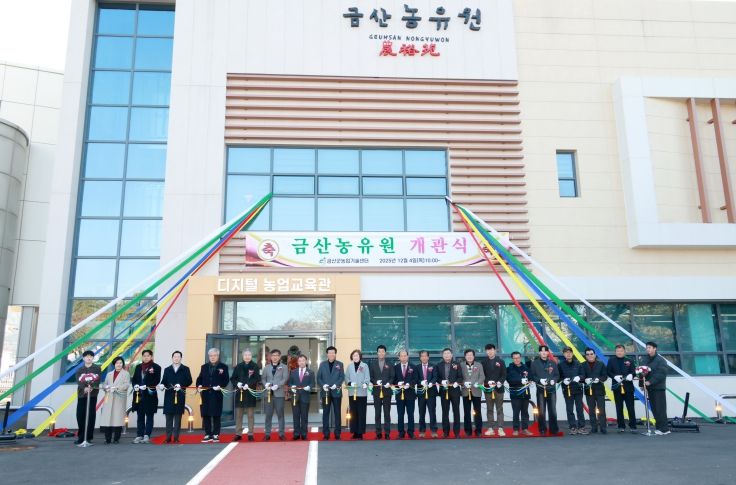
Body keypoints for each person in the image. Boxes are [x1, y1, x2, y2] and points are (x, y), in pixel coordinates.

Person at [196, 348, 230, 443]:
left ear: (218, 356)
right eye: (211, 356)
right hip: (205, 394)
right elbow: (199, 378)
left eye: (214, 355)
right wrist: (199, 385)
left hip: (217, 394)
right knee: (206, 414)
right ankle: (208, 434)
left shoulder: (223, 367)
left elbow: (226, 380)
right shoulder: (204, 367)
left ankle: (216, 434)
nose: (212, 357)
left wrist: (220, 386)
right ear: (209, 356)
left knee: (216, 414)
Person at [131, 349, 161, 444]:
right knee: (140, 416)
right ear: (142, 357)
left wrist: (147, 385)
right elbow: (134, 379)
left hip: (150, 395)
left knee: (149, 416)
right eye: (144, 356)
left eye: (148, 356)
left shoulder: (156, 367)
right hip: (139, 395)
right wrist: (135, 385)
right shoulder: (138, 367)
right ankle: (139, 435)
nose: (146, 357)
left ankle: (147, 435)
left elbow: (157, 380)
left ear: (151, 357)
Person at [161, 350, 192, 443]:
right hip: (169, 395)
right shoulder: (167, 369)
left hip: (180, 395)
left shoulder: (185, 369)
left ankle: (176, 437)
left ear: (181, 358)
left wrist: (181, 385)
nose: (176, 358)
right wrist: (162, 385)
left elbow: (189, 381)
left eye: (178, 357)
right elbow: (164, 381)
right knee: (168, 417)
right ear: (172, 358)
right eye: (175, 356)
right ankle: (168, 437)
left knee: (178, 418)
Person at [639, 341, 670, 435]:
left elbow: (661, 373)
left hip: (658, 388)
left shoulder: (660, 360)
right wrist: (642, 384)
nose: (648, 349)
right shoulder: (645, 360)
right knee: (654, 408)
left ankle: (664, 429)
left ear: (655, 348)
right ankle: (659, 428)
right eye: (647, 348)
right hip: (650, 388)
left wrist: (650, 381)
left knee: (660, 408)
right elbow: (641, 372)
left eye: (649, 347)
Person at [231, 348, 261, 441]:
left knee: (250, 415)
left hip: (250, 393)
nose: (247, 357)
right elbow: (233, 378)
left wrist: (249, 384)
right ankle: (238, 433)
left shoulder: (255, 366)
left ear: (251, 356)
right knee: (239, 415)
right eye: (245, 355)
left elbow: (257, 378)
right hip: (240, 393)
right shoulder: (238, 366)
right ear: (243, 356)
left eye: (249, 355)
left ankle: (250, 433)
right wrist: (237, 383)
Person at [606, 344, 637, 433]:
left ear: (624, 351)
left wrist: (631, 375)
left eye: (621, 351)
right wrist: (614, 376)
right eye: (617, 351)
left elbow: (634, 372)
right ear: (615, 352)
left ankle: (633, 426)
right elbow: (608, 371)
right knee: (619, 407)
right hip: (617, 387)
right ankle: (621, 426)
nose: (619, 352)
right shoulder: (611, 360)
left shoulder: (629, 360)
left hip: (628, 387)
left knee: (630, 407)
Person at [99, 356, 129, 444]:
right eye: (117, 363)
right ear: (114, 364)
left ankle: (116, 438)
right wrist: (106, 387)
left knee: (118, 419)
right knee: (107, 419)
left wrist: (116, 388)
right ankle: (107, 439)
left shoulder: (126, 374)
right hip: (109, 398)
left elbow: (126, 385)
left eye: (120, 363)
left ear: (123, 364)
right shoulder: (109, 374)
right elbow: (104, 385)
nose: (119, 364)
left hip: (119, 398)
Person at [530, 345, 559, 436]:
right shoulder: (534, 363)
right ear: (539, 352)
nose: (543, 352)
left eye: (545, 351)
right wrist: (539, 380)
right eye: (542, 351)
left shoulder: (553, 363)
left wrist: (554, 380)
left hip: (551, 389)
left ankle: (554, 429)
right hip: (540, 389)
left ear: (547, 352)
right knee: (541, 410)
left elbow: (557, 375)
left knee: (553, 410)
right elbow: (532, 375)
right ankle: (542, 429)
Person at [557, 347, 587, 435]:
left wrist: (579, 377)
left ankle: (581, 427)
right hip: (567, 390)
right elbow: (558, 377)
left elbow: (583, 375)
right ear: (564, 354)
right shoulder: (560, 365)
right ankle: (573, 427)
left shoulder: (578, 364)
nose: (568, 354)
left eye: (570, 352)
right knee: (570, 409)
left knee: (579, 409)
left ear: (572, 353)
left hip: (578, 389)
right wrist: (563, 380)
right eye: (566, 352)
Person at [74, 350, 101, 445]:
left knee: (90, 415)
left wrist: (91, 387)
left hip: (92, 395)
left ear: (93, 358)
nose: (89, 358)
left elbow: (97, 380)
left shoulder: (97, 368)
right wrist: (84, 388)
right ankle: (81, 437)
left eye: (90, 356)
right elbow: (78, 381)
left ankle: (89, 437)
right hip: (82, 395)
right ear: (83, 358)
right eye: (87, 356)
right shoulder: (79, 369)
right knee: (80, 415)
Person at [435, 347, 463, 438]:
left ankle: (457, 432)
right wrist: (441, 381)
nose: (447, 355)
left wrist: (457, 382)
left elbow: (460, 377)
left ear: (451, 355)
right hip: (444, 390)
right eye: (445, 354)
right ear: (442, 355)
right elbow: (437, 377)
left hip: (455, 390)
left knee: (456, 411)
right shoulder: (438, 365)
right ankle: (445, 432)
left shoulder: (457, 364)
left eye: (448, 353)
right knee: (445, 411)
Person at [317, 346, 344, 440]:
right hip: (326, 393)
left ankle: (337, 433)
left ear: (335, 354)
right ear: (327, 354)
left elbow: (342, 377)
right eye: (329, 353)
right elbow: (318, 378)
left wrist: (336, 384)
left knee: (337, 413)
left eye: (333, 353)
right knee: (326, 413)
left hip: (336, 392)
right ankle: (326, 433)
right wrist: (323, 385)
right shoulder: (322, 364)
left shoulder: (340, 364)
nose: (331, 354)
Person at [261, 348, 289, 441]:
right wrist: (266, 384)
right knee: (268, 415)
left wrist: (278, 385)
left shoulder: (284, 367)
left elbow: (285, 378)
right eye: (273, 355)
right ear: (270, 357)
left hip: (279, 394)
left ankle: (281, 434)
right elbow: (263, 378)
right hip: (268, 394)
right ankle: (267, 434)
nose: (275, 357)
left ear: (279, 357)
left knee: (280, 414)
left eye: (277, 355)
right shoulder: (266, 367)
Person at [369, 344, 394, 440]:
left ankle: (387, 433)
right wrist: (375, 382)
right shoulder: (373, 364)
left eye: (383, 351)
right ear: (377, 353)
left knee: (387, 413)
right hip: (376, 392)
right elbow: (371, 377)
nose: (381, 353)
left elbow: (393, 376)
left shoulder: (390, 364)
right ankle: (378, 432)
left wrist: (389, 383)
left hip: (387, 391)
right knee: (377, 413)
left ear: (385, 353)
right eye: (379, 351)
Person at [344, 349, 371, 440]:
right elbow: (346, 378)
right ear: (352, 357)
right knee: (353, 413)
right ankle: (354, 432)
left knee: (361, 413)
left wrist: (365, 383)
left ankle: (360, 433)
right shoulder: (349, 366)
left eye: (357, 355)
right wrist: (350, 383)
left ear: (360, 357)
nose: (355, 357)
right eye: (354, 355)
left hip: (362, 393)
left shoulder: (365, 366)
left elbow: (367, 378)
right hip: (352, 393)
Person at [481, 343, 506, 437]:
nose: (490, 352)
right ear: (486, 351)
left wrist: (500, 382)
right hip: (488, 388)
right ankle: (490, 428)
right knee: (489, 409)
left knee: (499, 409)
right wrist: (487, 382)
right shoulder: (483, 362)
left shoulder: (501, 361)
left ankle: (500, 428)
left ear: (495, 350)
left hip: (499, 388)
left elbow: (504, 374)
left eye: (491, 350)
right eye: (488, 350)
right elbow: (482, 375)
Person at [392, 349, 418, 439]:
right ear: (399, 357)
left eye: (405, 356)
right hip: (399, 394)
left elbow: (416, 379)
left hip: (410, 394)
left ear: (408, 356)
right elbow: (393, 379)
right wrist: (397, 383)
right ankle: (401, 432)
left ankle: (411, 432)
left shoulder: (413, 367)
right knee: (400, 414)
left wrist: (409, 384)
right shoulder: (395, 367)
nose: (403, 357)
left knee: (410, 414)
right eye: (401, 356)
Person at [582, 348, 608, 434]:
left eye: (591, 354)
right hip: (588, 390)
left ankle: (603, 427)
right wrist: (584, 380)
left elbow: (605, 376)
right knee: (591, 410)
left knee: (601, 410)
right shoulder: (582, 365)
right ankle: (594, 427)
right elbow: (581, 377)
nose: (590, 355)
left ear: (595, 355)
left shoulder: (601, 364)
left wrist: (599, 379)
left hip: (600, 390)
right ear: (585, 356)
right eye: (588, 354)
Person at [288, 354, 314, 440]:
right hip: (295, 397)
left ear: (306, 361)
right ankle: (296, 433)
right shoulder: (293, 372)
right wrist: (292, 387)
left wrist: (309, 387)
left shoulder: (310, 372)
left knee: (304, 416)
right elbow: (290, 383)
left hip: (305, 396)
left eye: (303, 360)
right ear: (298, 362)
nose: (301, 362)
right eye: (300, 361)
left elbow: (312, 383)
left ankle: (304, 434)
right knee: (295, 416)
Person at [506, 351, 532, 436]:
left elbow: (531, 376)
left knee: (525, 412)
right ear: (512, 359)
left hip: (525, 393)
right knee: (516, 412)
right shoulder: (509, 368)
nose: (516, 359)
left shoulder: (526, 367)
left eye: (518, 358)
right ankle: (516, 429)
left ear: (520, 358)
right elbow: (510, 380)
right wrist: (520, 380)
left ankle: (525, 429)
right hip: (515, 394)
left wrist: (528, 379)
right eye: (515, 358)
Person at [461, 349, 485, 437]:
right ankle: (468, 430)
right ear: (465, 356)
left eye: (471, 355)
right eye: (468, 355)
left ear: (474, 356)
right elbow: (459, 376)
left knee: (477, 411)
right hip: (465, 391)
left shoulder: (479, 365)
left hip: (476, 391)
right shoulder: (461, 365)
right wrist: (464, 383)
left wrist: (477, 383)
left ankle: (478, 430)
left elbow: (482, 376)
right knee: (466, 412)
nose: (469, 356)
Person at [416, 350, 438, 438]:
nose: (424, 358)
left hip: (431, 392)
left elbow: (435, 377)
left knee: (432, 412)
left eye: (425, 356)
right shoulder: (417, 367)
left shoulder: (433, 366)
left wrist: (431, 383)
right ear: (420, 358)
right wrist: (420, 382)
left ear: (428, 357)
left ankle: (434, 431)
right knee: (421, 412)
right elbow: (416, 379)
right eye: (422, 356)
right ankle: (422, 431)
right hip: (421, 393)